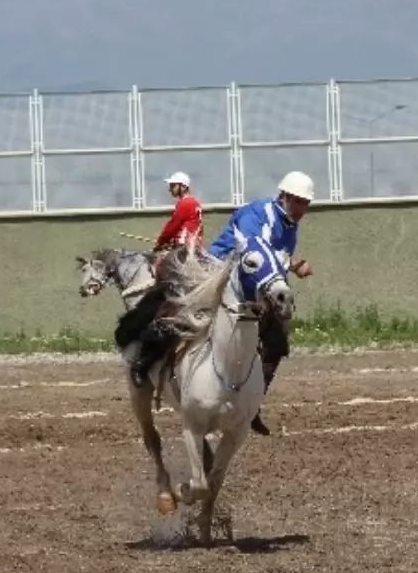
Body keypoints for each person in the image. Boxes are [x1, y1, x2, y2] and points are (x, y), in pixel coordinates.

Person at [127, 171, 316, 436]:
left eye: (306, 203)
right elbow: (254, 251)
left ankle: (253, 404)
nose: (302, 208)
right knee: (179, 312)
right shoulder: (258, 212)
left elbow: (273, 265)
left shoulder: (290, 225)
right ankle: (144, 363)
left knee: (277, 340)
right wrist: (295, 265)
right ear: (284, 196)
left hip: (248, 286)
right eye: (298, 201)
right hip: (217, 272)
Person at [153, 172, 204, 261]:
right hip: (194, 246)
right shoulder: (195, 202)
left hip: (183, 248)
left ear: (183, 187)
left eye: (173, 186)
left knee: (157, 264)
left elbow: (171, 227)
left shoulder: (185, 203)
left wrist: (159, 243)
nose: (170, 189)